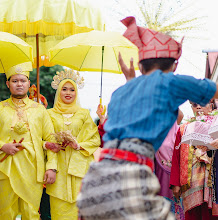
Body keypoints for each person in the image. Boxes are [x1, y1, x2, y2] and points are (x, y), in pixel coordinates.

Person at [77, 16, 218, 220]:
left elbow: (124, 120)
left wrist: (131, 82)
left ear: (141, 67)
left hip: (95, 179)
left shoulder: (120, 93)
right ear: (174, 65)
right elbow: (212, 91)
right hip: (132, 177)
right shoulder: (170, 82)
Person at [0, 62, 61, 220]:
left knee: (31, 213)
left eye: (22, 81)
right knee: (6, 213)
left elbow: (50, 139)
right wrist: (3, 146)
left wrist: (51, 167)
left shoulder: (39, 110)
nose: (19, 84)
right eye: (15, 81)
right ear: (8, 84)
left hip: (32, 169)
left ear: (29, 84)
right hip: (5, 168)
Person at [46, 69, 100, 219]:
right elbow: (43, 138)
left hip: (80, 168)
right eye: (64, 89)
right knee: (58, 210)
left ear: (76, 92)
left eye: (72, 89)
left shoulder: (84, 114)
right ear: (58, 92)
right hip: (58, 167)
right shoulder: (49, 114)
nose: (68, 93)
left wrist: (78, 145)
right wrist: (53, 144)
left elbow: (95, 139)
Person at [170, 101, 218, 220]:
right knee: (192, 216)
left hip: (212, 181)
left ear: (211, 105)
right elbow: (176, 157)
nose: (198, 107)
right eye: (195, 105)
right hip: (190, 182)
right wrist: (175, 183)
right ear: (191, 108)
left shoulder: (216, 125)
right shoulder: (183, 129)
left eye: (202, 103)